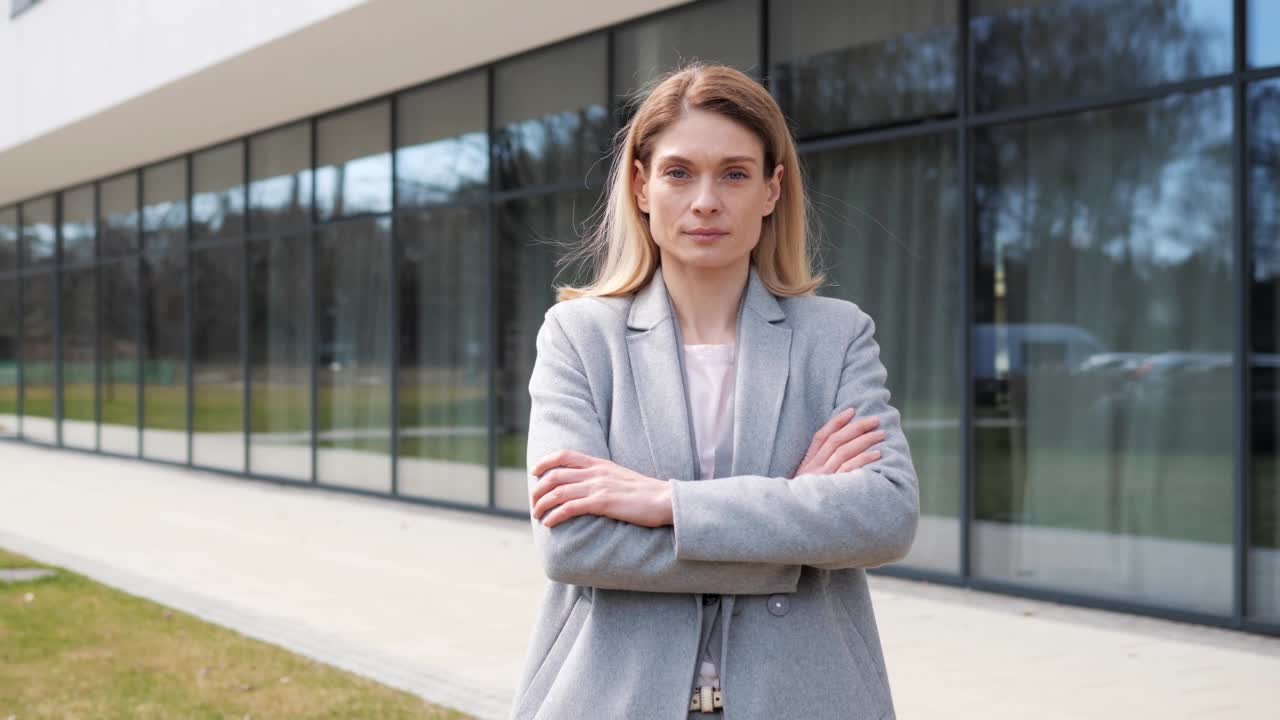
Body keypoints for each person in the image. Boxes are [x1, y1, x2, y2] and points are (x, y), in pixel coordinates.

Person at [512, 63, 919, 720]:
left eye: (734, 173)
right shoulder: (578, 336)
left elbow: (885, 516)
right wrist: (796, 528)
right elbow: (573, 544)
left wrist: (660, 502)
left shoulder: (837, 336)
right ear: (642, 187)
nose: (706, 200)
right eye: (679, 172)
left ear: (771, 189)